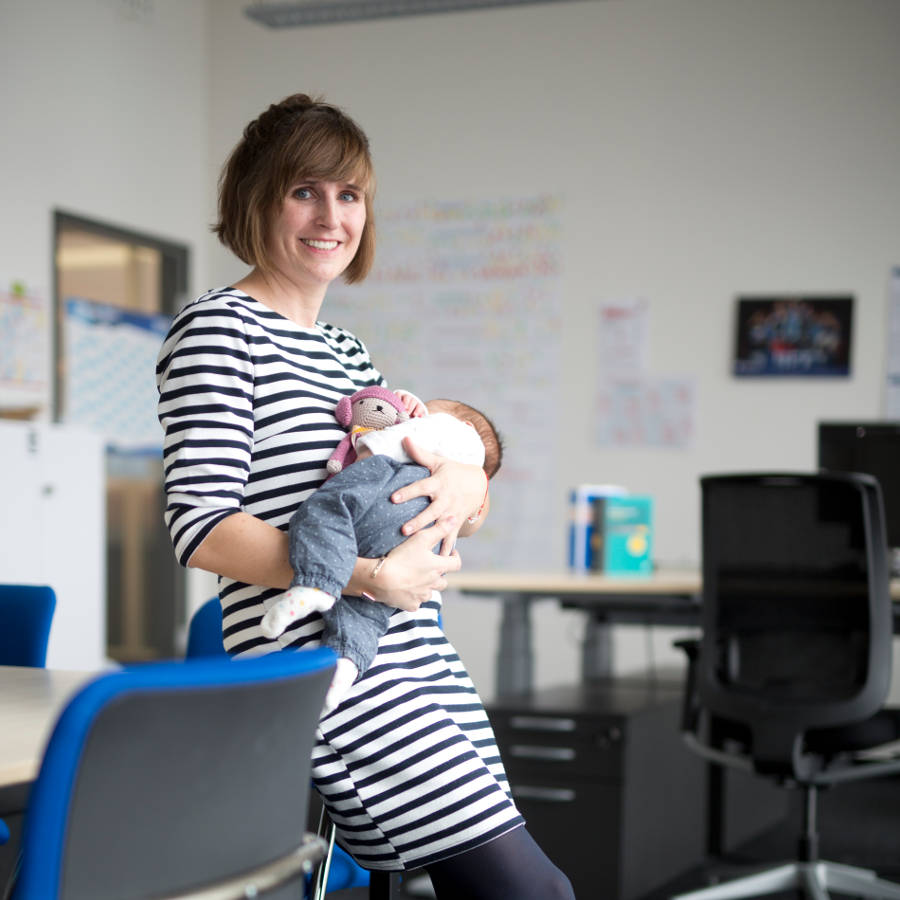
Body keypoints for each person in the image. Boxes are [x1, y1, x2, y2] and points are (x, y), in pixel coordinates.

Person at [156, 93, 574, 899]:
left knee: (454, 881)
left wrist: (465, 479)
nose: (331, 216)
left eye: (349, 195)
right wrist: (370, 581)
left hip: (417, 651)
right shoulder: (218, 328)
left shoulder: (348, 352)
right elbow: (199, 529)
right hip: (319, 664)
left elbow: (399, 478)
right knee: (531, 893)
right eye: (304, 190)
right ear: (256, 199)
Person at [260, 392, 502, 714]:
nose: (415, 411)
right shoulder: (462, 461)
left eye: (426, 408)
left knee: (324, 512)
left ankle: (316, 584)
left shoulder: (447, 428)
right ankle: (347, 664)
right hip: (412, 537)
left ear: (464, 422)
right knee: (367, 613)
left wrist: (367, 451)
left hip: (389, 491)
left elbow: (403, 438)